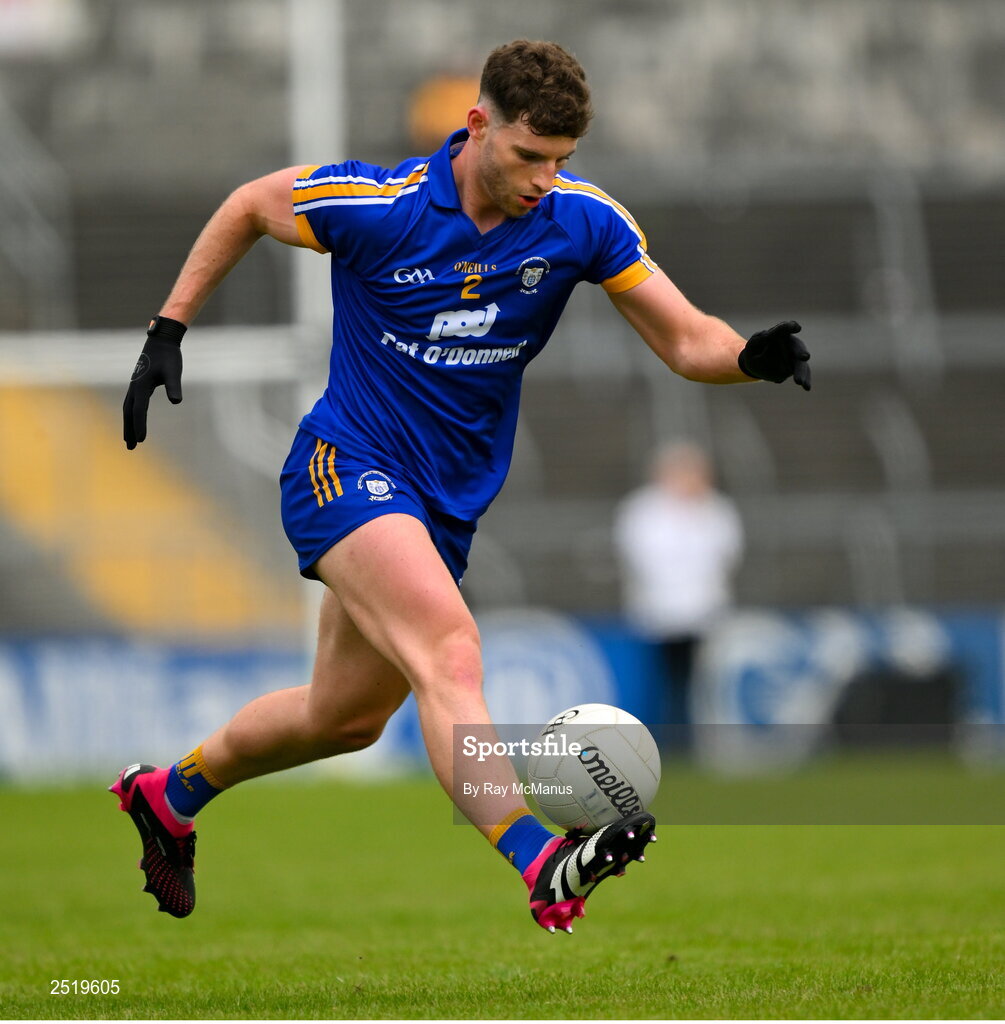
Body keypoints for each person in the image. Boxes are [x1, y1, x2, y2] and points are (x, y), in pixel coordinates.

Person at [111, 39, 811, 935]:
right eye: (528, 157)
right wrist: (168, 327)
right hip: (345, 464)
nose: (543, 180)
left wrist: (747, 357)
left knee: (343, 719)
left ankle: (169, 796)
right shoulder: (382, 205)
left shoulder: (580, 221)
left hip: (442, 504)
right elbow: (250, 203)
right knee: (452, 654)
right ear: (476, 125)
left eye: (560, 162)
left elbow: (685, 340)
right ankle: (539, 860)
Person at [614, 441, 744, 752]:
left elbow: (727, 554)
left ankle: (692, 745)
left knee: (695, 683)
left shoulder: (715, 509)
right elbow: (642, 557)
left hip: (702, 612)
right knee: (660, 682)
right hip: (657, 612)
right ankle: (659, 745)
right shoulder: (643, 510)